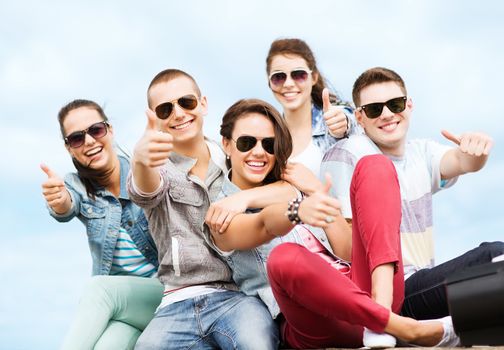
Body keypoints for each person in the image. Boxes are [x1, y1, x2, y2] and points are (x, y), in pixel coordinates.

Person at [209, 98, 459, 349]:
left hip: (363, 291)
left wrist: (316, 191)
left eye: (269, 144)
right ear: (227, 144)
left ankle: (381, 315)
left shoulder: (296, 185)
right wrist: (292, 208)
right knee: (284, 258)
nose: (259, 152)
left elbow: (347, 251)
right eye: (246, 142)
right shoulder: (220, 210)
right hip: (311, 320)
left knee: (376, 164)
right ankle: (403, 327)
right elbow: (264, 225)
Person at [320, 67, 504, 344]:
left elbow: (463, 162)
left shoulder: (421, 153)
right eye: (373, 109)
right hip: (386, 293)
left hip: (422, 284)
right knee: (494, 255)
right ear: (359, 117)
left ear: (409, 104)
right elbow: (345, 248)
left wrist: (476, 151)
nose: (386, 114)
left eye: (395, 104)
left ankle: (449, 331)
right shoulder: (349, 154)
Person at [128, 69, 295, 349]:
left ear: (203, 104)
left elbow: (288, 186)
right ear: (155, 118)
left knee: (257, 342)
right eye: (165, 109)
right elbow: (143, 190)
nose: (179, 113)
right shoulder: (155, 168)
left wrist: (242, 199)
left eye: (186, 102)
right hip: (176, 303)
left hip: (236, 297)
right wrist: (141, 161)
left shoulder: (234, 152)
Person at [41, 99, 163, 350]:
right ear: (69, 148)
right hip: (125, 309)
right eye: (76, 138)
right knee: (108, 345)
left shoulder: (141, 172)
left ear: (110, 130)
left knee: (98, 289)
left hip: (163, 294)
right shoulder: (75, 185)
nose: (88, 141)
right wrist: (59, 201)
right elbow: (66, 205)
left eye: (96, 130)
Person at [265, 37, 358, 194]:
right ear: (269, 83)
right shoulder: (266, 136)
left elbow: (349, 119)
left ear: (313, 77)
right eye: (278, 77)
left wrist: (342, 124)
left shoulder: (332, 119)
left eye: (298, 74)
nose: (288, 84)